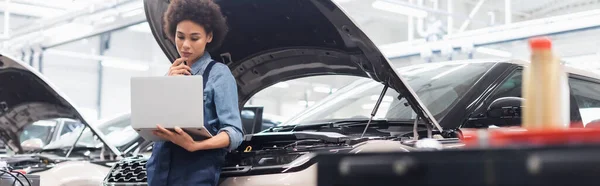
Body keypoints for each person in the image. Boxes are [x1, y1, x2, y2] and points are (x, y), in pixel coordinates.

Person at [145, 0, 244, 185]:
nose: (185, 46)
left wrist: (195, 145)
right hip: (159, 172)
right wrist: (168, 84)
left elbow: (234, 132)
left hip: (196, 174)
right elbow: (151, 121)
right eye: (180, 36)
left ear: (209, 37)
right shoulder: (169, 75)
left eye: (194, 38)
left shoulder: (219, 75)